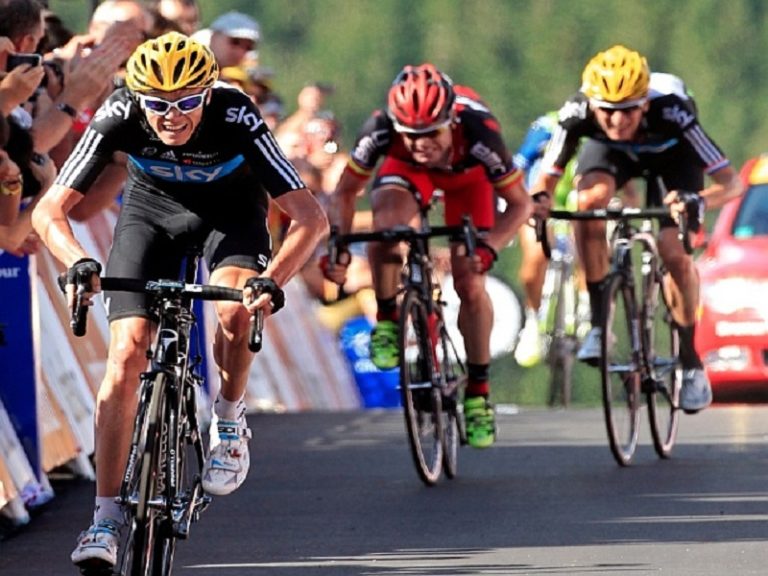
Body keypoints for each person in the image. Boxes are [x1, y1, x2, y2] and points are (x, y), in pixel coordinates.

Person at [31, 32, 327, 571]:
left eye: (187, 101)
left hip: (230, 218)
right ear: (137, 98)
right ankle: (104, 519)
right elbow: (49, 211)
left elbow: (311, 218)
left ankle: (231, 420)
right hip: (151, 215)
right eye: (158, 104)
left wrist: (273, 279)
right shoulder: (120, 111)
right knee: (125, 355)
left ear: (208, 96)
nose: (171, 115)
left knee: (236, 310)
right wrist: (79, 259)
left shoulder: (238, 116)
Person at [323, 63, 531, 448]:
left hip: (468, 182)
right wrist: (338, 245)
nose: (421, 145)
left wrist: (488, 248)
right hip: (406, 176)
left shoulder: (480, 132)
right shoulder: (381, 129)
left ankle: (478, 393)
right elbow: (345, 192)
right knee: (386, 226)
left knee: (469, 281)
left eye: (431, 134)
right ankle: (387, 320)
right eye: (410, 135)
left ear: (451, 120)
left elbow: (520, 206)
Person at [531, 45, 743, 413]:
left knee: (674, 251)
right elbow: (544, 182)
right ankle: (599, 323)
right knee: (587, 204)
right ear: (592, 105)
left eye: (628, 109)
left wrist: (698, 201)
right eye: (607, 111)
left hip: (673, 159)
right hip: (611, 157)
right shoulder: (577, 112)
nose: (617, 121)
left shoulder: (674, 110)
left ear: (645, 103)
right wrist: (540, 205)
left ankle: (690, 361)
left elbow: (732, 183)